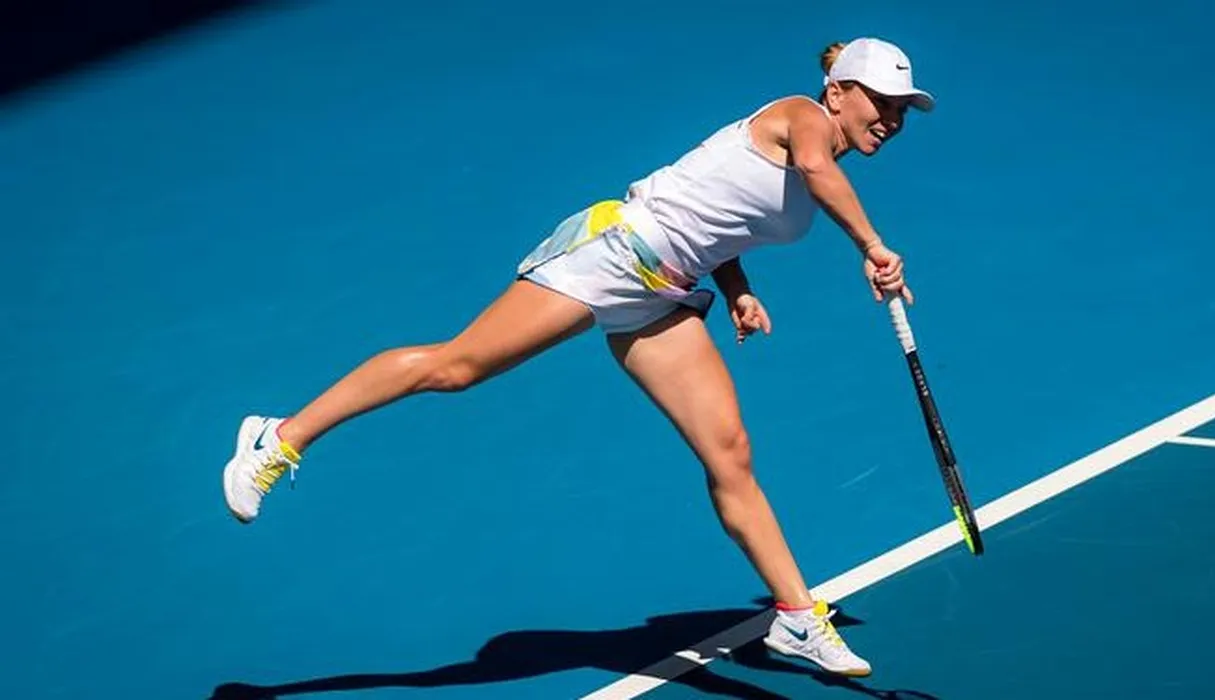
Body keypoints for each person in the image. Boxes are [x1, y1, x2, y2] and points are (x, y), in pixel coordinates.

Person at [221, 36, 934, 677]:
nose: (892, 120)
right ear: (838, 90)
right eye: (882, 102)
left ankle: (796, 617)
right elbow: (811, 165)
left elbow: (719, 218)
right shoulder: (802, 119)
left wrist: (737, 290)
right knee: (456, 368)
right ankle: (279, 438)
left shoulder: (809, 172)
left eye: (902, 110)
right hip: (612, 255)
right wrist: (873, 247)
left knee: (730, 454)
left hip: (663, 295)